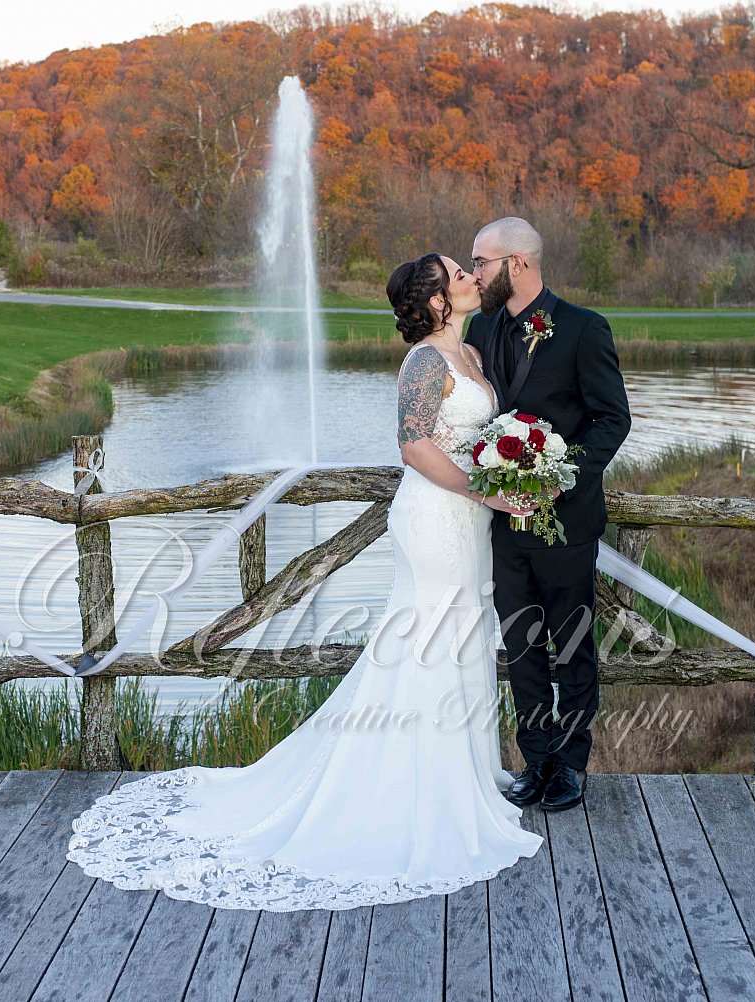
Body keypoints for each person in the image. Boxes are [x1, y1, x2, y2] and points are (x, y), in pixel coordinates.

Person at [64, 252, 546, 911]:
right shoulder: (426, 363)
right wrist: (484, 491)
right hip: (436, 519)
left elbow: (479, 433)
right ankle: (414, 796)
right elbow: (413, 445)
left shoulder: (472, 358)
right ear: (434, 301)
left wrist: (515, 466)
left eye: (466, 270)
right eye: (456, 274)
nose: (468, 277)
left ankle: (456, 782)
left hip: (469, 524)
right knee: (426, 642)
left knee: (462, 638)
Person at [464, 216, 632, 812]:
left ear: (519, 263)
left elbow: (613, 418)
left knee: (572, 643)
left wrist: (557, 475)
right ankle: (535, 761)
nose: (475, 271)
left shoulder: (584, 328)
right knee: (522, 644)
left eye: (482, 261)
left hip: (565, 520)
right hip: (502, 521)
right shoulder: (479, 330)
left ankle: (572, 762)